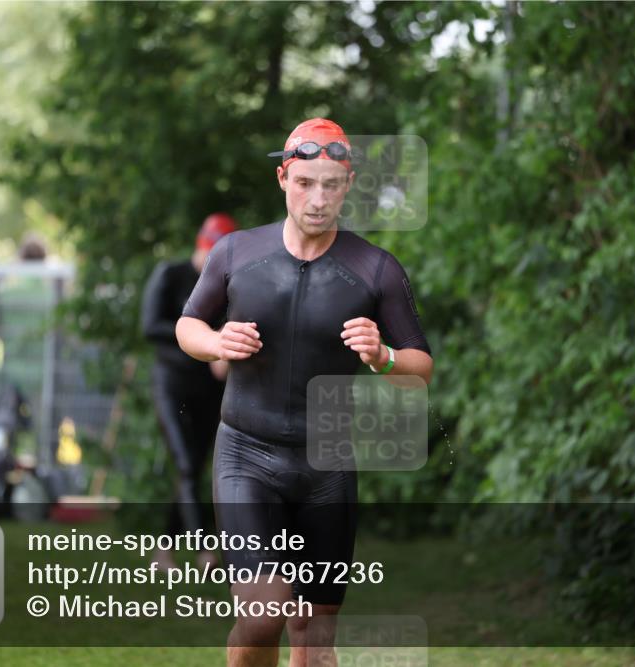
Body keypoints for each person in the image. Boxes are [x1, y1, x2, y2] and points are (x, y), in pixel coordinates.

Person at [176, 118, 433, 667]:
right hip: (246, 454)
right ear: (283, 179)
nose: (318, 199)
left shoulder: (376, 269)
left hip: (327, 466)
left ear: (348, 184)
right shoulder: (236, 252)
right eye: (305, 183)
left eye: (331, 185)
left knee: (314, 642)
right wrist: (217, 342)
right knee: (263, 616)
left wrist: (382, 356)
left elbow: (421, 366)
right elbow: (187, 325)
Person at [142, 213, 239, 572]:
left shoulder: (225, 287)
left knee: (194, 468)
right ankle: (204, 551)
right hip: (171, 384)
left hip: (208, 387)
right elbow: (150, 326)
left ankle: (163, 551)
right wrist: (198, 334)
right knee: (184, 464)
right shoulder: (171, 274)